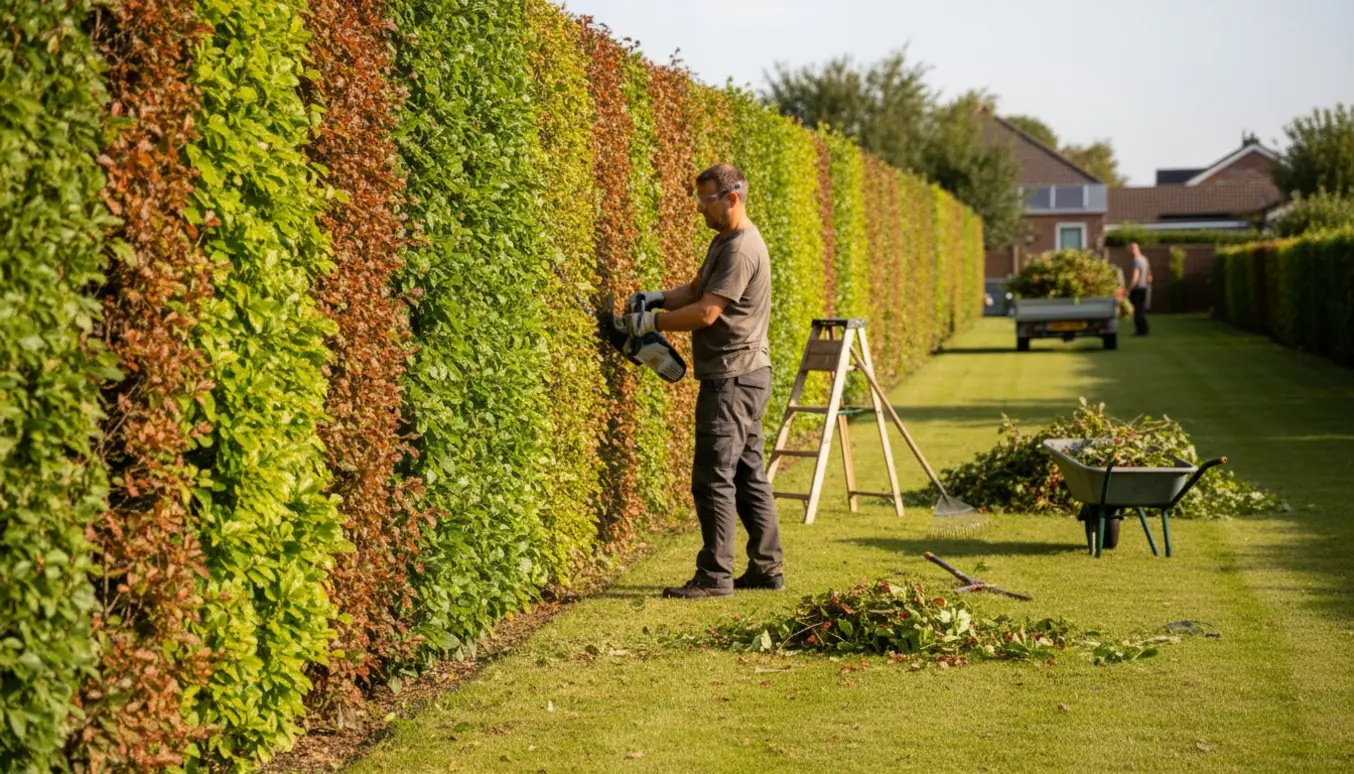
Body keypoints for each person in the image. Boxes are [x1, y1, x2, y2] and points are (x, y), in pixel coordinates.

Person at [623, 163, 784, 599]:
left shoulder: (741, 250)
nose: (699, 209)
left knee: (713, 476)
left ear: (732, 198)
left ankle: (715, 576)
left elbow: (706, 314)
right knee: (749, 474)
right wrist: (653, 298)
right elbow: (695, 291)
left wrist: (650, 322)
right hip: (746, 374)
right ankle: (767, 568)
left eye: (705, 200)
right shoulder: (723, 242)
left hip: (733, 378)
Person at [1128, 242, 1152, 336]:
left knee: (1137, 310)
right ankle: (1144, 329)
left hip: (1137, 288)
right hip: (1144, 287)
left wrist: (1129, 289)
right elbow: (1149, 276)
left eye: (1131, 249)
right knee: (1141, 310)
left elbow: (1135, 277)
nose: (1130, 251)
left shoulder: (1136, 261)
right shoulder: (1144, 259)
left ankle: (1141, 331)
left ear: (1135, 249)